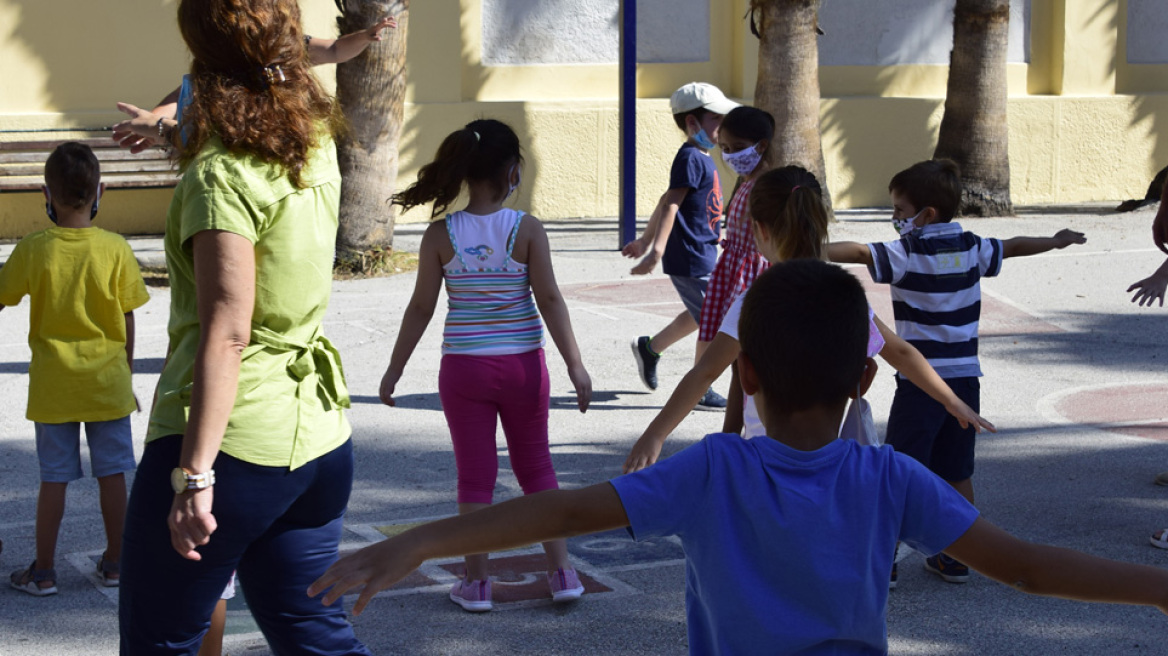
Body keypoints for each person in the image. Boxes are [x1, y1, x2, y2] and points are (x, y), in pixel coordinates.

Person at [311, 258, 1168, 656]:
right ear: (866, 377)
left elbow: (563, 510)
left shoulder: (713, 473)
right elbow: (1025, 568)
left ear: (745, 374)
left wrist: (418, 540)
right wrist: (1159, 587)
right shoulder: (891, 477)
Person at [110, 1, 372, 653]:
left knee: (158, 641)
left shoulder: (220, 176)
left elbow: (228, 331)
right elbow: (245, 156)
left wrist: (193, 477)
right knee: (311, 627)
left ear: (202, 66)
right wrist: (168, 132)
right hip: (316, 436)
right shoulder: (310, 145)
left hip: (231, 445)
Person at [623, 167, 993, 496]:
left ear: (760, 229)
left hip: (768, 456)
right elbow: (899, 351)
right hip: (827, 455)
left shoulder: (757, 299)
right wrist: (950, 399)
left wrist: (656, 434)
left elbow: (706, 371)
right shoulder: (845, 293)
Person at [828, 158, 1086, 585]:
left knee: (899, 467)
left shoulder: (908, 252)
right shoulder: (971, 246)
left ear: (924, 215)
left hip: (922, 382)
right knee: (956, 469)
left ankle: (884, 560)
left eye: (898, 211)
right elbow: (1015, 245)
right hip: (965, 379)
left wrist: (802, 249)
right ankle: (957, 557)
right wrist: (1055, 241)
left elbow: (857, 253)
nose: (895, 219)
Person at [379, 118, 592, 612]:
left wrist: (394, 370)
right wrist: (576, 366)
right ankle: (562, 573)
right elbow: (552, 300)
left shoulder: (440, 234)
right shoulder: (527, 229)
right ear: (513, 172)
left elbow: (420, 309)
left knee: (474, 476)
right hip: (523, 366)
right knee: (537, 467)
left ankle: (476, 585)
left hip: (464, 370)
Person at [0, 142, 149, 596]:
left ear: (47, 195)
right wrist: (124, 370)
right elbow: (127, 317)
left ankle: (42, 571)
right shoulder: (115, 248)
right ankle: (117, 562)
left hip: (54, 387)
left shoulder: (34, 249)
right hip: (106, 384)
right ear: (99, 191)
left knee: (54, 479)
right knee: (112, 475)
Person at [112, 15, 397, 154]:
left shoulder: (286, 48)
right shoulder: (221, 61)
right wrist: (154, 120)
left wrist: (364, 36)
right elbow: (183, 98)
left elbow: (335, 49)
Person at [622, 82, 738, 412]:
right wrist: (654, 250)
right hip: (689, 255)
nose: (722, 126)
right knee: (713, 321)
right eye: (716, 119)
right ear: (692, 123)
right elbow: (671, 203)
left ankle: (650, 348)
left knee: (703, 312)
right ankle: (703, 386)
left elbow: (666, 199)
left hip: (704, 251)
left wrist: (645, 238)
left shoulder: (702, 157)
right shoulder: (690, 157)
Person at [695, 105, 774, 431]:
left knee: (749, 358)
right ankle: (730, 434)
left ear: (762, 145)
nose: (729, 156)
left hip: (752, 277)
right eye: (725, 149)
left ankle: (747, 431)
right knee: (734, 360)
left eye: (738, 148)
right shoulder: (747, 180)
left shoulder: (765, 185)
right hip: (734, 273)